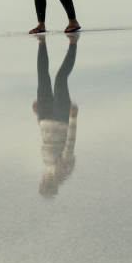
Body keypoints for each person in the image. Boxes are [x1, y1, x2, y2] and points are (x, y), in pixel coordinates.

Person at [33, 32, 79, 197]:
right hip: (61, 118)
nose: (40, 180)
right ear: (46, 184)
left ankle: (41, 43)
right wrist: (73, 118)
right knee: (60, 78)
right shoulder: (63, 171)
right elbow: (70, 144)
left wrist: (37, 116)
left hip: (45, 117)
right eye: (42, 184)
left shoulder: (48, 166)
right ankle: (73, 44)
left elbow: (46, 138)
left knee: (42, 77)